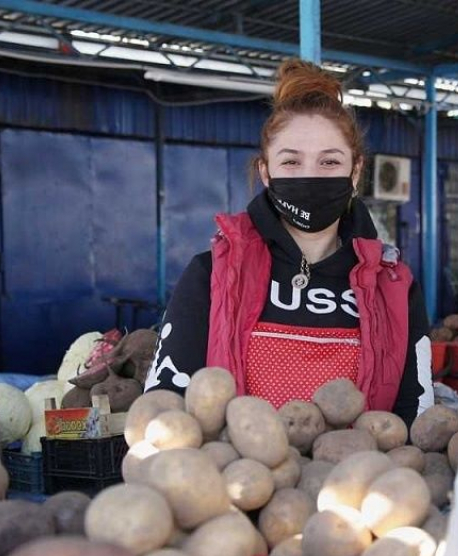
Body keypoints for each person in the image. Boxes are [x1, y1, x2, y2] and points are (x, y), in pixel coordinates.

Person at [144, 60, 433, 424]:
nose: (310, 175)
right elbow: (165, 408)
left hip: (357, 476)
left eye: (329, 162)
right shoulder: (213, 274)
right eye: (291, 162)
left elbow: (416, 416)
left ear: (356, 171)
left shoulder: (393, 287)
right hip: (238, 477)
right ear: (266, 171)